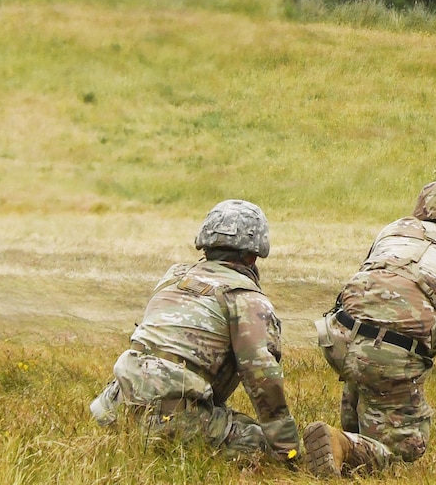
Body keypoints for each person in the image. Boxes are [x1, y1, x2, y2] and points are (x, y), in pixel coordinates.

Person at [303, 180, 436, 477]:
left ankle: (348, 436)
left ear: (420, 214)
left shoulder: (393, 231)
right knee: (406, 448)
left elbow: (371, 302)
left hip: (335, 334)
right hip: (391, 353)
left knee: (369, 347)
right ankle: (344, 443)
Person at [88, 200, 303, 467]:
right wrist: (286, 449)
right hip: (170, 421)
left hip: (115, 408)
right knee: (260, 445)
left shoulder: (174, 278)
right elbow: (263, 378)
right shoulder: (246, 299)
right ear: (253, 254)